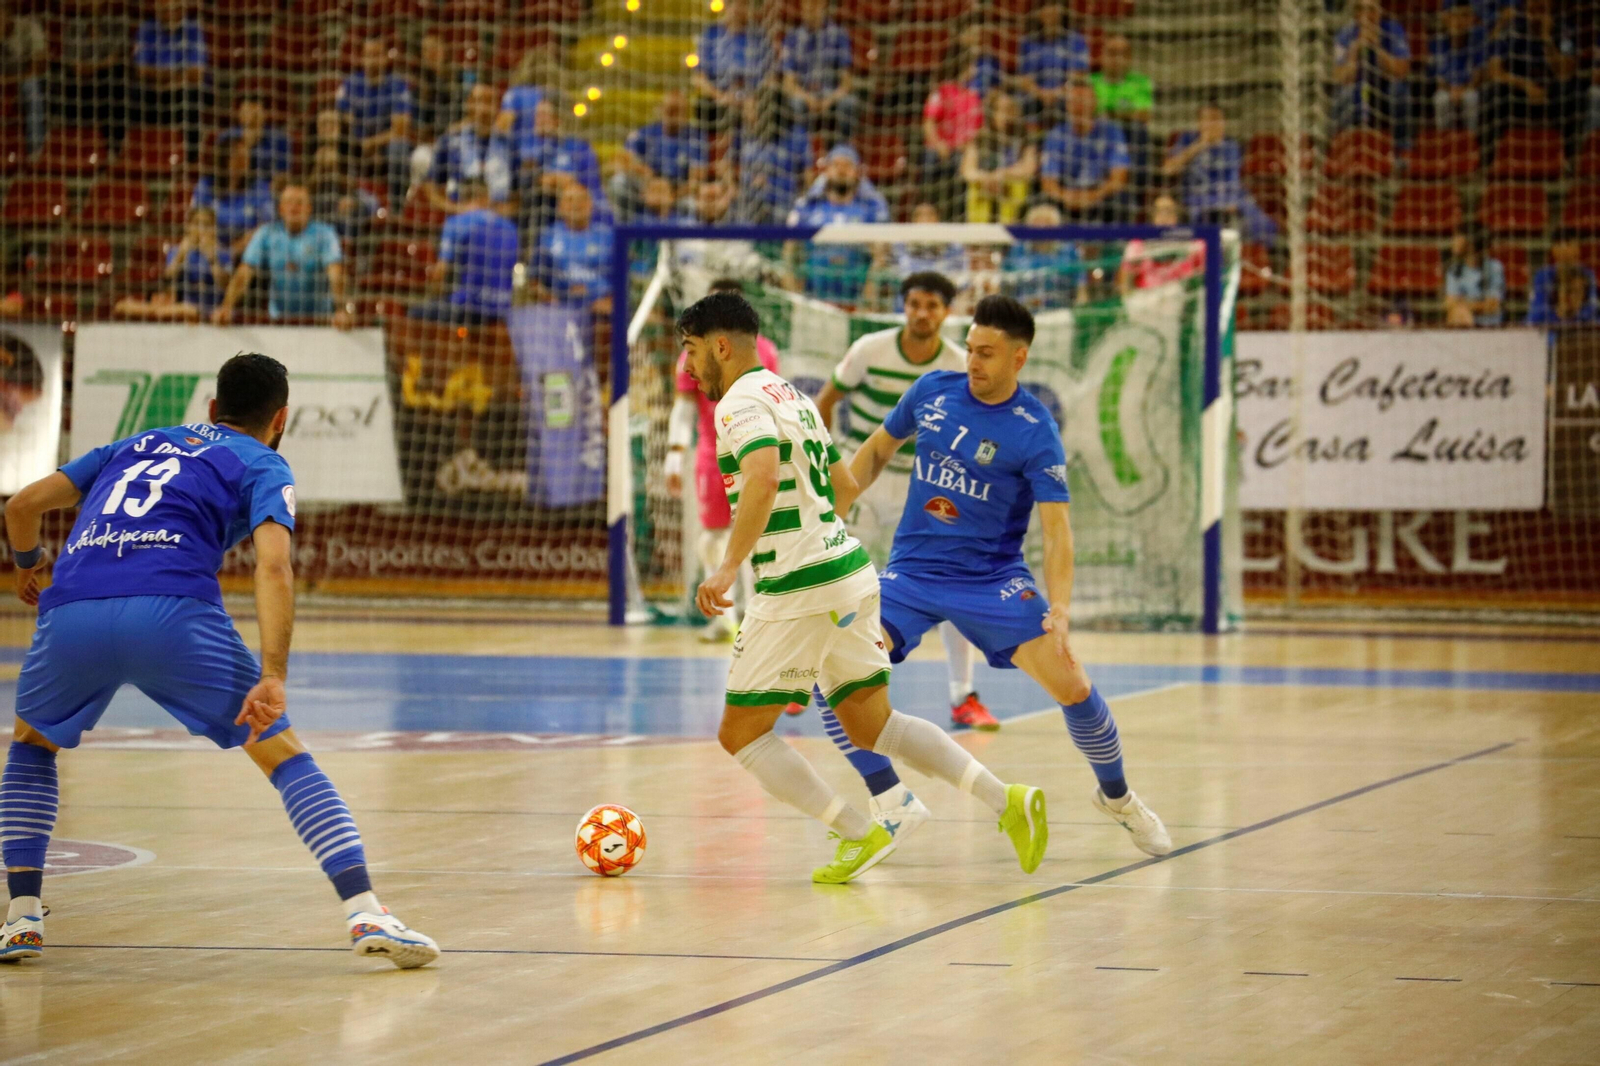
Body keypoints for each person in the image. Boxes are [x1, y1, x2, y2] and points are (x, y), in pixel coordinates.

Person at [0, 353, 438, 968]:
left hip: (73, 608)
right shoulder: (263, 461)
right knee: (282, 753)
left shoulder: (134, 443)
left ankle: (21, 917)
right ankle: (366, 910)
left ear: (211, 407)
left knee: (30, 746)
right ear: (280, 418)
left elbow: (20, 506)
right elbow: (274, 566)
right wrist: (274, 675)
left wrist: (29, 567)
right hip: (172, 612)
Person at [679, 291, 1049, 884]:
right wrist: (823, 539)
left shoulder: (739, 405)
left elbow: (763, 475)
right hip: (849, 571)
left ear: (721, 346)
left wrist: (728, 567)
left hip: (796, 585)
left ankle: (859, 831)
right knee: (871, 724)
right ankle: (1008, 801)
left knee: (741, 734)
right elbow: (844, 483)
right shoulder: (792, 396)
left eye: (692, 351)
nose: (688, 367)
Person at [845, 295, 1172, 862]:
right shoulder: (932, 392)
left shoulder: (1034, 431)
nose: (974, 362)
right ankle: (888, 797)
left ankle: (1118, 798)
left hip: (991, 580)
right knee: (840, 672)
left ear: (1019, 359)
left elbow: (1058, 530)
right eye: (971, 349)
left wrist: (1061, 609)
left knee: (1073, 684)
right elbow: (877, 450)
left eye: (988, 354)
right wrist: (840, 498)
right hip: (912, 574)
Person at [814, 268, 994, 742]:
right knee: (833, 578)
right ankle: (807, 674)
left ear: (947, 312)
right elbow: (824, 402)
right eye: (914, 303)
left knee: (950, 588)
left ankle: (963, 695)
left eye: (932, 306)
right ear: (904, 306)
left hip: (923, 490)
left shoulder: (958, 364)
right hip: (864, 476)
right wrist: (829, 463)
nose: (921, 313)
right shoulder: (869, 349)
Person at [666, 278, 782, 644]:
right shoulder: (693, 353)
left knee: (755, 535)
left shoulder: (764, 351)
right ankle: (724, 617)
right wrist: (674, 453)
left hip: (754, 450)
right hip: (712, 456)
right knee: (712, 538)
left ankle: (754, 612)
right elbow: (684, 407)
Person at [214, 183, 352, 329]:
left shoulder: (325, 234)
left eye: (299, 203)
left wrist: (342, 310)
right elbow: (245, 272)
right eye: (289, 203)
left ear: (309, 208)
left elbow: (336, 274)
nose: (294, 208)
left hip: (319, 321)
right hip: (279, 321)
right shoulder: (266, 233)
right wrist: (226, 306)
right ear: (280, 209)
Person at [784, 145, 889, 304]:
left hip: (855, 299)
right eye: (836, 165)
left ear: (856, 173)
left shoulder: (869, 211)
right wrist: (793, 295)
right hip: (812, 297)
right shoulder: (807, 208)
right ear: (826, 171)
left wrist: (869, 298)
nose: (841, 170)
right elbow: (789, 253)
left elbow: (880, 256)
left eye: (847, 166)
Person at [1163, 103, 1277, 245]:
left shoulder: (1231, 146)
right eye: (1208, 119)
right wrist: (1200, 145)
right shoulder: (1188, 140)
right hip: (1197, 200)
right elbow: (1168, 169)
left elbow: (1233, 181)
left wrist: (1230, 203)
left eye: (1217, 119)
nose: (1213, 124)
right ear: (1200, 123)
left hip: (1230, 200)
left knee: (1263, 225)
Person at [411, 179, 519, 325]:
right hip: (503, 307)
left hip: (467, 305)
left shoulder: (456, 223)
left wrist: (433, 295)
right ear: (486, 198)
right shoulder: (510, 228)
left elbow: (440, 272)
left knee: (415, 313)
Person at [1482, 0, 1583, 152]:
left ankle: (1570, 157)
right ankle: (1487, 158)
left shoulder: (1565, 30)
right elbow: (1493, 71)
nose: (1536, 4)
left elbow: (1565, 73)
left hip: (1553, 96)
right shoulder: (1512, 29)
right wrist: (1526, 86)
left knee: (1571, 91)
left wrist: (1546, 38)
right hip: (1520, 95)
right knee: (1494, 92)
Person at [114, 206, 232, 323]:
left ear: (214, 229)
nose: (201, 229)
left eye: (207, 225)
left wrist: (212, 259)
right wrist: (180, 257)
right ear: (188, 227)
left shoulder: (223, 253)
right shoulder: (176, 251)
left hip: (209, 309)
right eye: (196, 224)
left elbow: (227, 286)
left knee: (187, 311)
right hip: (179, 306)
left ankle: (157, 311)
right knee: (122, 306)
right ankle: (154, 310)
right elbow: (168, 280)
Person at [335, 37, 413, 206]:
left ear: (385, 57)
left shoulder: (397, 85)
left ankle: (397, 205)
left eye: (377, 54)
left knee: (398, 147)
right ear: (362, 58)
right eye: (368, 55)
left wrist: (372, 144)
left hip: (385, 145)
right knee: (338, 145)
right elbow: (344, 122)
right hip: (356, 144)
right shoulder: (350, 84)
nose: (372, 59)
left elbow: (400, 128)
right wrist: (360, 144)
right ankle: (350, 198)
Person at [1040, 83, 1130, 223]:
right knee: (1041, 199)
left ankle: (1114, 244)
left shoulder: (1112, 132)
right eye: (1074, 101)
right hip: (1067, 192)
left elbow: (1119, 178)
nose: (1079, 107)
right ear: (1067, 105)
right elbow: (1048, 182)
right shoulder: (1056, 134)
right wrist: (1065, 196)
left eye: (1083, 101)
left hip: (1099, 191)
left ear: (1094, 103)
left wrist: (1094, 195)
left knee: (1122, 199)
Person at [423, 83, 518, 216]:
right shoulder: (451, 140)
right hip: (459, 217)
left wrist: (499, 212)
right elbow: (429, 187)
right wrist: (456, 208)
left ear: (498, 108)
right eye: (479, 101)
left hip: (499, 221)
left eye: (489, 102)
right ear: (468, 104)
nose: (484, 109)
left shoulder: (511, 145)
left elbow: (519, 197)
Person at [612, 91, 708, 218]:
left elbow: (697, 179)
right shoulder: (646, 133)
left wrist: (670, 196)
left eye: (677, 110)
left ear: (685, 113)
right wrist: (647, 178)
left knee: (694, 204)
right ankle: (623, 230)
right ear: (661, 109)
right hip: (647, 187)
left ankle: (688, 235)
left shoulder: (696, 138)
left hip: (678, 191)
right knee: (618, 182)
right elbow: (621, 160)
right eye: (669, 110)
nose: (673, 114)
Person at [133, 0, 209, 159]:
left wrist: (162, 76)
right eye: (164, 7)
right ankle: (139, 155)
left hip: (183, 91)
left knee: (189, 97)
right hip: (153, 91)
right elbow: (140, 71)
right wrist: (178, 74)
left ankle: (191, 158)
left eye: (172, 7)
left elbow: (196, 74)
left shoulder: (194, 29)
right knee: (131, 94)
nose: (168, 11)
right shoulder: (146, 28)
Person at [50, 0, 130, 154]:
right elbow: (74, 64)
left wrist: (92, 66)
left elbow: (116, 59)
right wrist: (98, 64)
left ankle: (113, 147)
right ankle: (73, 147)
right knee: (65, 81)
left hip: (107, 81)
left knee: (114, 78)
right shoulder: (73, 26)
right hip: (79, 82)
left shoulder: (118, 24)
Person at [517, 98, 606, 227]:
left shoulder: (579, 147)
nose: (538, 120)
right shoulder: (528, 148)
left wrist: (565, 183)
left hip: (584, 208)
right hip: (545, 211)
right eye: (537, 115)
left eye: (543, 115)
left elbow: (589, 184)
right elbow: (527, 180)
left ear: (557, 120)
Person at [1332, 0, 1412, 142]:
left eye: (1371, 9)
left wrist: (1377, 47)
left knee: (1400, 91)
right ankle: (1341, 146)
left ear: (1380, 11)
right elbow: (1340, 77)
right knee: (1344, 94)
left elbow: (1402, 71)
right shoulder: (1345, 34)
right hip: (1357, 87)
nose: (1366, 15)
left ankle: (1401, 148)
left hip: (1384, 88)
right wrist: (1355, 50)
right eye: (1361, 9)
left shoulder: (1393, 29)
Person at [690, 0, 772, 139]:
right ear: (726, 6)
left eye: (743, 4)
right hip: (720, 96)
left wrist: (752, 97)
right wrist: (721, 96)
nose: (738, 8)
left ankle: (754, 150)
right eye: (733, 3)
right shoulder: (711, 34)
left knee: (769, 106)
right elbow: (698, 78)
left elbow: (770, 77)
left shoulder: (760, 37)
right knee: (704, 106)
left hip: (752, 97)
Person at [190, 135, 276, 261]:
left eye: (246, 156)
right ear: (224, 159)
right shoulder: (205, 186)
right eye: (238, 156)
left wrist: (232, 251)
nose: (244, 161)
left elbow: (267, 227)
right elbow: (194, 221)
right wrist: (214, 249)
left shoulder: (259, 188)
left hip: (248, 253)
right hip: (209, 249)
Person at [780, 0, 856, 142]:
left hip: (830, 93)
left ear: (823, 5)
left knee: (848, 104)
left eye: (815, 5)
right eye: (807, 5)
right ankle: (802, 148)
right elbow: (788, 83)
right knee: (795, 105)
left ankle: (843, 147)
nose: (810, 9)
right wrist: (807, 97)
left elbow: (847, 82)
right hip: (803, 93)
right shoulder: (792, 38)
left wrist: (830, 99)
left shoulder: (838, 35)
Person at [532, 182, 613, 313]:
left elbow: (622, 279)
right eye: (570, 200)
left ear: (591, 205)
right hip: (559, 310)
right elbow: (534, 281)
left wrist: (610, 301)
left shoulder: (609, 237)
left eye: (582, 199)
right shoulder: (547, 236)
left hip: (602, 311)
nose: (576, 204)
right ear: (560, 207)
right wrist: (550, 300)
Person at [1091, 34, 1155, 199]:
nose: (1117, 59)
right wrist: (1122, 113)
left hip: (1127, 140)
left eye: (1122, 54)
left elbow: (1144, 115)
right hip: (1093, 138)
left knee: (1138, 130)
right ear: (1102, 55)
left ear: (1129, 58)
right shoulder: (1090, 82)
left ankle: (1131, 188)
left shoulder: (1140, 82)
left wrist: (1109, 113)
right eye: (1112, 53)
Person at [921, 55, 984, 218]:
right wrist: (939, 143)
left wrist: (967, 145)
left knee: (968, 167)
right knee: (931, 159)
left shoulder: (973, 97)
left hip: (962, 152)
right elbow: (929, 123)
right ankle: (928, 211)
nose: (975, 70)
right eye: (972, 66)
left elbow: (978, 129)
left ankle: (960, 216)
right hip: (939, 148)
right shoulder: (942, 91)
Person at [962, 91, 1037, 225]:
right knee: (975, 188)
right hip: (985, 186)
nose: (1004, 114)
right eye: (999, 109)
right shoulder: (980, 138)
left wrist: (1004, 174)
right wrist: (985, 178)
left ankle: (1010, 228)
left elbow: (1029, 168)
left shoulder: (1024, 136)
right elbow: (968, 171)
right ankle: (977, 235)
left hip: (1011, 188)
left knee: (1017, 185)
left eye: (1009, 109)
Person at [1017, 1, 1088, 132]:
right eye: (1045, 6)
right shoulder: (1028, 41)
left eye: (1054, 5)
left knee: (1071, 102)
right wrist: (1042, 94)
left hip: (1064, 96)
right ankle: (1031, 144)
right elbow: (1024, 79)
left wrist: (1055, 94)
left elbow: (1078, 76)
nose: (1050, 10)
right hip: (1035, 96)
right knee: (1022, 103)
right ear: (1038, 13)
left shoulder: (1076, 40)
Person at [1117, 194, 1203, 294]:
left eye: (1169, 211)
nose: (1164, 217)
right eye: (1159, 212)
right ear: (1152, 217)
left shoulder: (1193, 243)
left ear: (1178, 216)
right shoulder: (1138, 244)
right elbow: (1126, 277)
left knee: (1173, 290)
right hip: (1147, 297)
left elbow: (1204, 273)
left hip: (1183, 297)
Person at [1007, 202, 1084, 310]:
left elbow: (1081, 287)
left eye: (1048, 223)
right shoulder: (1018, 250)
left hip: (1060, 311)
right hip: (1023, 311)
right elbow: (1005, 283)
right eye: (1037, 223)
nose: (1042, 227)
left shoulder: (1069, 251)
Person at [1430, 1, 1489, 131]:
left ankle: (1471, 140)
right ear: (1447, 18)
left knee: (1471, 98)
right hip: (1446, 89)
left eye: (1464, 16)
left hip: (1469, 87)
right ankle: (1442, 140)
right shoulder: (1437, 42)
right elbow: (1437, 76)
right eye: (1455, 16)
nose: (1459, 21)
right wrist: (1450, 90)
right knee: (1441, 100)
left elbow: (1479, 73)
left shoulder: (1477, 40)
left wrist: (1464, 89)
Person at [0, 0, 47, 158]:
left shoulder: (28, 27)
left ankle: (34, 149)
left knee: (30, 87)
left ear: (9, 13)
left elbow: (37, 67)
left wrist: (9, 81)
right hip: (5, 82)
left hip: (25, 80)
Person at [1529, 231, 1598, 325]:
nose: (1565, 249)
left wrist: (1572, 318)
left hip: (1580, 326)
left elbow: (1591, 309)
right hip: (1550, 326)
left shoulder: (1588, 274)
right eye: (1559, 244)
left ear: (1577, 248)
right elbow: (1538, 311)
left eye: (1569, 243)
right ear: (1553, 249)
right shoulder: (1542, 275)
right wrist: (1559, 317)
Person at [220, 95, 293, 179]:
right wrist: (246, 144)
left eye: (256, 113)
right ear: (239, 114)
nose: (251, 117)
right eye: (248, 112)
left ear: (265, 114)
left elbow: (283, 174)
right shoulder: (227, 137)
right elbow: (221, 170)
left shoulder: (281, 139)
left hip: (267, 188)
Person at [1444, 228, 1506, 327]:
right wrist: (1477, 306)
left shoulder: (1494, 268)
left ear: (1470, 242)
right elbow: (1450, 303)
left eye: (1457, 237)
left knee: (1459, 310)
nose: (1453, 241)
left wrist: (1463, 304)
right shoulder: (1454, 270)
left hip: (1489, 324)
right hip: (1463, 321)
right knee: (1457, 313)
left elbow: (1493, 305)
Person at [1529, 263, 1599, 328]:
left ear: (1584, 297)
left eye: (1576, 292)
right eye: (1567, 290)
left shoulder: (1593, 325)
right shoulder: (1539, 322)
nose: (1569, 296)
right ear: (1557, 292)